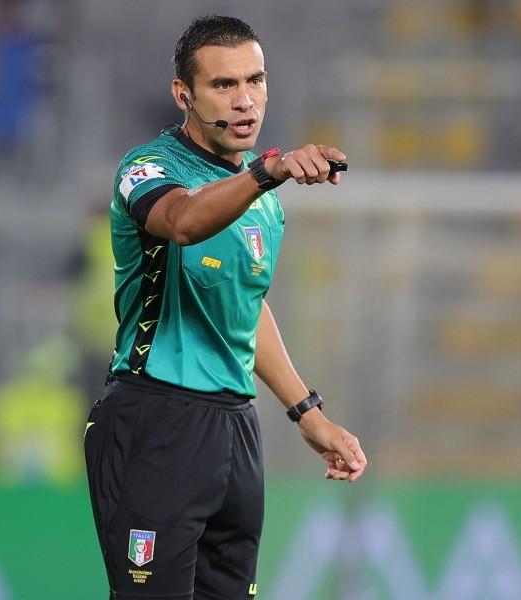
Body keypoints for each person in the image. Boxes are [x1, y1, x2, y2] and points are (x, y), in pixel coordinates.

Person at [83, 14, 368, 600]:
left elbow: (244, 309)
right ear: (183, 95)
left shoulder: (263, 204)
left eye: (255, 81)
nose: (245, 101)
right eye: (223, 86)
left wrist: (308, 414)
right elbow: (183, 222)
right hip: (157, 418)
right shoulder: (148, 169)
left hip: (236, 431)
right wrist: (269, 170)